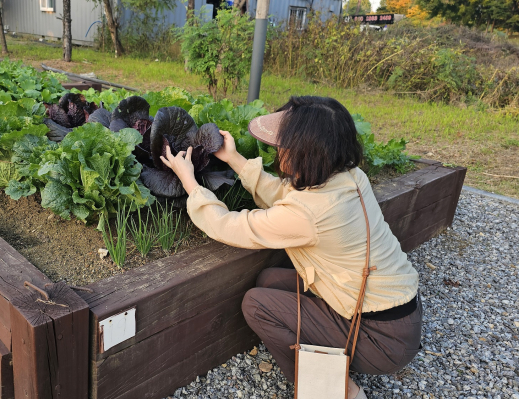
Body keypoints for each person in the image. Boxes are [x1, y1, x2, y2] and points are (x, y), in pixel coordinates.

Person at [160, 96, 422, 399]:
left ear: (303, 154)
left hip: (381, 339)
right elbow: (288, 195)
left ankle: (334, 390)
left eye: (282, 145)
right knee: (269, 280)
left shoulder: (310, 214)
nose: (277, 149)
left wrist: (190, 182)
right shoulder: (349, 176)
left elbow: (228, 226)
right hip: (394, 312)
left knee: (256, 304)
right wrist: (233, 158)